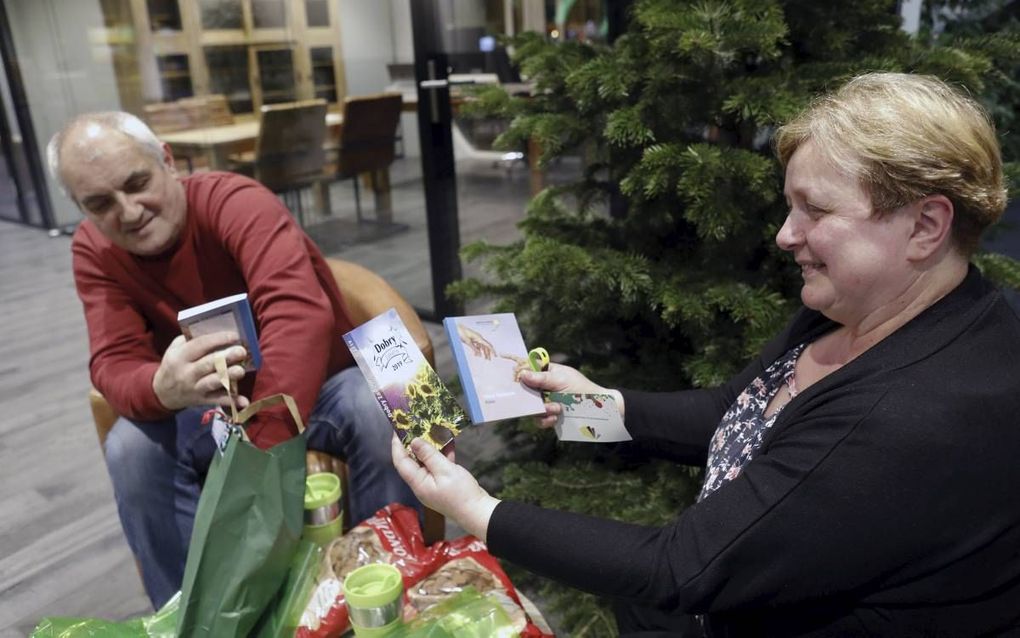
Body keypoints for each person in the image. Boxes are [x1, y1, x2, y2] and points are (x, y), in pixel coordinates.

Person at [392, 72, 1020, 636]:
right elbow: (735, 412)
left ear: (925, 226)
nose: (785, 235)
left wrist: (472, 506)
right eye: (790, 205)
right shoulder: (858, 304)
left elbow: (681, 567)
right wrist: (592, 408)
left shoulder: (908, 416)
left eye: (816, 209)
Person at [48, 111, 419, 609]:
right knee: (129, 450)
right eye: (100, 203)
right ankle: (193, 614)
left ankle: (391, 589)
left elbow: (297, 314)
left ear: (167, 161)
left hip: (321, 384)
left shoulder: (236, 200)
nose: (129, 211)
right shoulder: (92, 249)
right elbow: (111, 360)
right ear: (79, 207)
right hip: (208, 406)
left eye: (137, 183)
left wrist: (257, 455)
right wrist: (161, 388)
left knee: (383, 404)